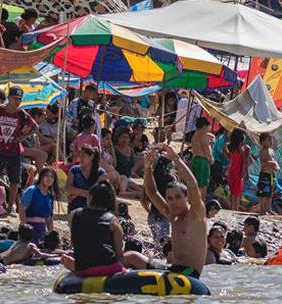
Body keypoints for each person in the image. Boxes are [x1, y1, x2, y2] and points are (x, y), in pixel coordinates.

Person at [127, 145, 208, 278]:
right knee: (132, 256)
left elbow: (193, 185)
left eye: (178, 197)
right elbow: (152, 193)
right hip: (172, 269)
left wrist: (176, 159)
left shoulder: (196, 214)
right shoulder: (172, 216)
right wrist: (147, 168)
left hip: (189, 273)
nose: (173, 202)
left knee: (167, 273)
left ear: (187, 198)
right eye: (169, 198)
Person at [0, 86, 34, 209]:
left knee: (15, 180)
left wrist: (22, 138)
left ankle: (10, 206)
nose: (17, 101)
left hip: (15, 151)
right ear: (9, 98)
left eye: (20, 99)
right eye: (15, 98)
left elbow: (35, 127)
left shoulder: (22, 113)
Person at [62, 182, 126, 276]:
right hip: (109, 268)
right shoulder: (112, 220)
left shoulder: (73, 215)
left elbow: (75, 243)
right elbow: (119, 253)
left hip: (82, 268)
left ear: (90, 197)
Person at [19, 167, 56, 243]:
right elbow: (22, 210)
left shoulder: (50, 196)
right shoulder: (32, 190)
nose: (49, 178)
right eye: (46, 175)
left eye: (52, 177)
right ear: (41, 176)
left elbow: (49, 219)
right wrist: (25, 228)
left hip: (41, 230)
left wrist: (51, 236)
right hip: (29, 228)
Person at [67, 146, 106, 212]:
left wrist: (77, 193)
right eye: (80, 156)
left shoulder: (100, 173)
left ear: (91, 157)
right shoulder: (74, 170)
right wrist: (86, 193)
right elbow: (68, 188)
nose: (81, 159)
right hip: (75, 207)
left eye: (84, 156)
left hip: (94, 208)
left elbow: (98, 194)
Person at [227, 127, 251, 211]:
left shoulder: (231, 147)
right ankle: (235, 210)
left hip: (232, 170)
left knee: (233, 192)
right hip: (238, 171)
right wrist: (245, 172)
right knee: (236, 194)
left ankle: (232, 209)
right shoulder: (242, 148)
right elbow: (245, 160)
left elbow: (230, 158)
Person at [190, 117, 214, 198]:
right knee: (202, 185)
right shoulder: (203, 135)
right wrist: (211, 159)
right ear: (204, 126)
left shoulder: (195, 135)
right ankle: (201, 202)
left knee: (195, 184)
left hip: (195, 160)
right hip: (202, 161)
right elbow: (206, 149)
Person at [257, 133, 278, 214]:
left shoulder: (271, 151)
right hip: (265, 174)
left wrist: (274, 165)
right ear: (262, 142)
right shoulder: (263, 151)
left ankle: (269, 209)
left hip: (271, 175)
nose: (270, 142)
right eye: (268, 140)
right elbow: (262, 163)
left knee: (270, 192)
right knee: (263, 193)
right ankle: (262, 209)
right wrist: (271, 164)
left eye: (271, 140)